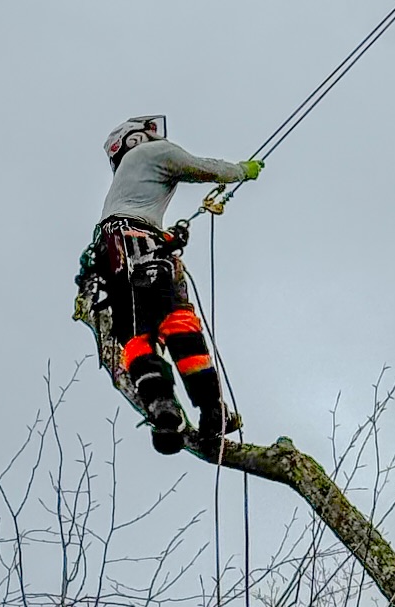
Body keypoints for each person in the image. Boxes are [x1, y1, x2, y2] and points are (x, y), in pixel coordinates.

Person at [78, 115, 263, 456]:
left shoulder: (124, 182)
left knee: (136, 333)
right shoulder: (151, 153)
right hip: (138, 244)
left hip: (115, 254)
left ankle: (162, 406)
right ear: (134, 140)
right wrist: (240, 171)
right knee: (176, 321)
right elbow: (200, 167)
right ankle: (210, 409)